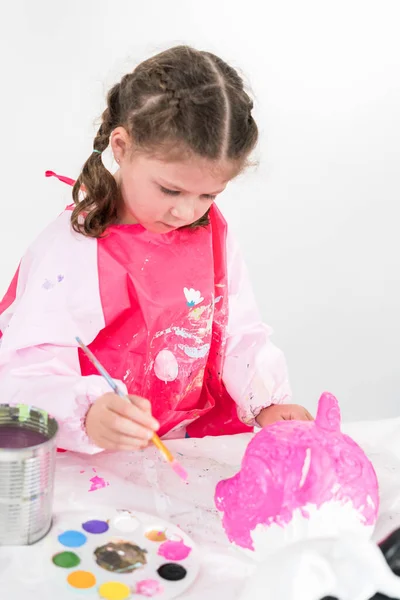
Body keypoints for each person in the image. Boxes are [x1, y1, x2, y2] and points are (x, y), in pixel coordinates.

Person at [0, 45, 312, 454]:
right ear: (122, 146)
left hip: (185, 448)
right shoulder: (75, 245)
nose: (186, 211)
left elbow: (236, 325)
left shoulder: (210, 231)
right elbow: (22, 369)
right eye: (170, 189)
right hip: (98, 458)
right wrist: (86, 414)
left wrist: (268, 402)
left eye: (208, 194)